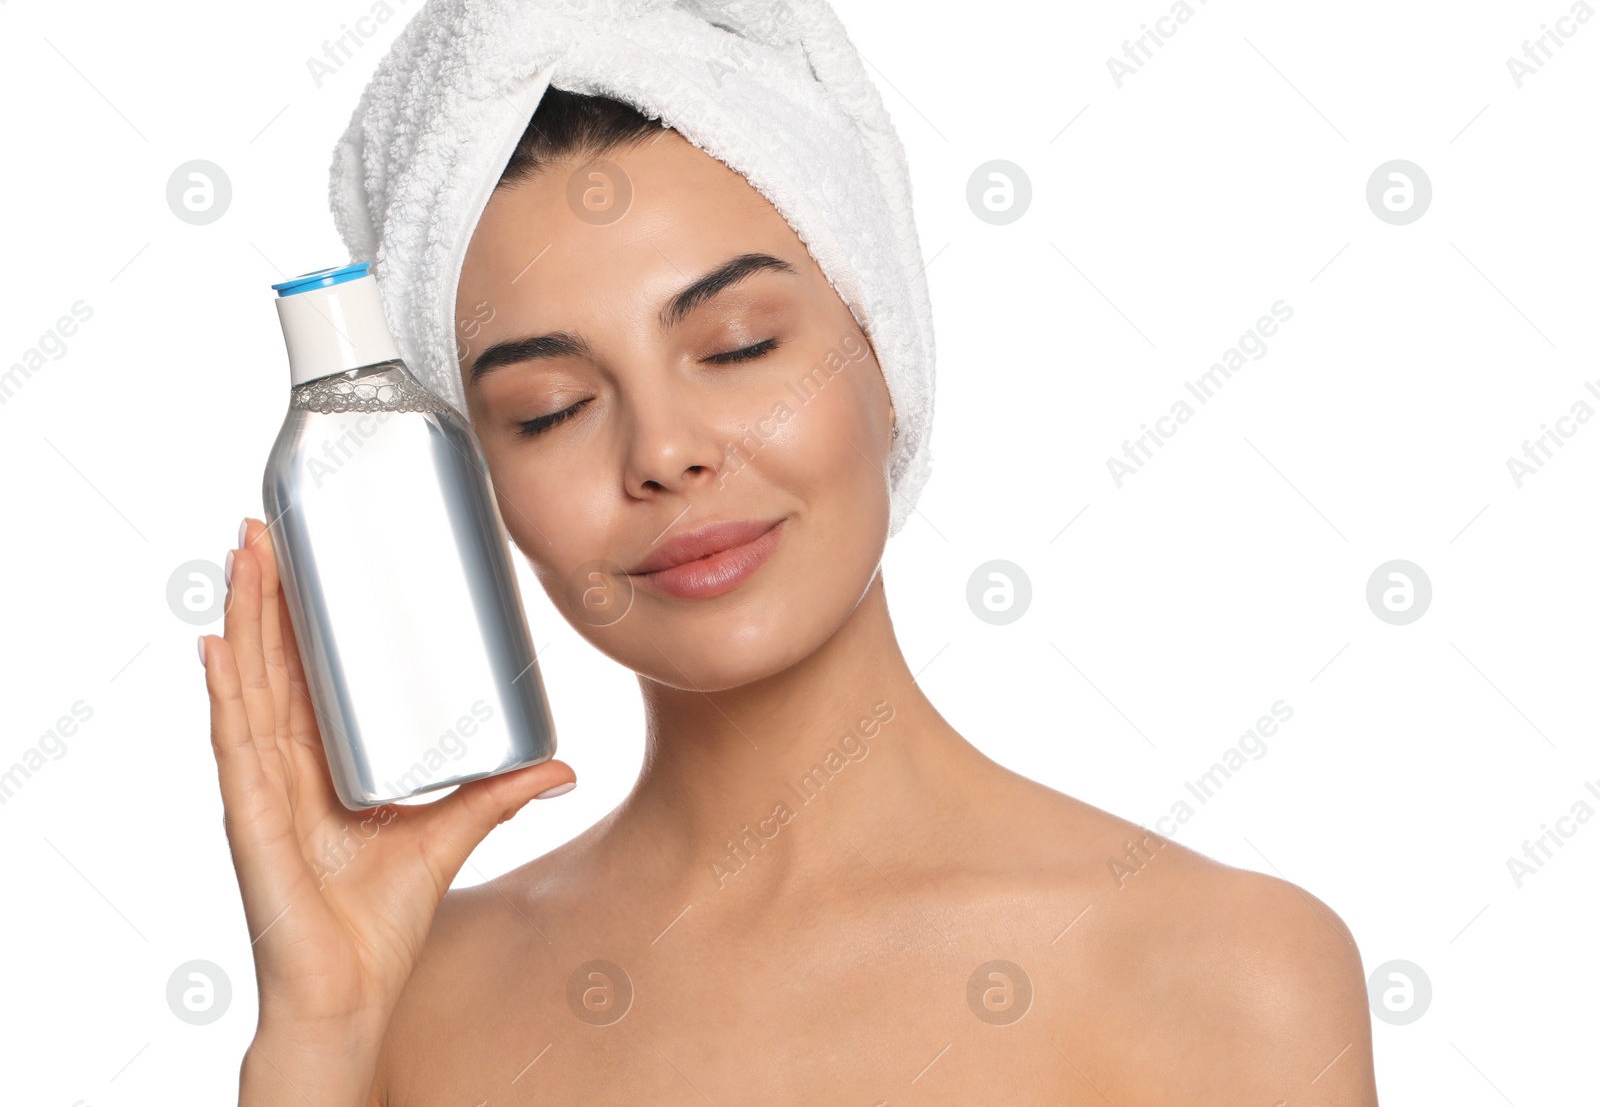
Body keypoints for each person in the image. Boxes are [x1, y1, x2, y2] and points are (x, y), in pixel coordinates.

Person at [206, 83, 1378, 1105]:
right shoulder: (408, 1001)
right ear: (480, 485)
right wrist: (319, 1038)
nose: (663, 451)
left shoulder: (1220, 969)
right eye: (551, 408)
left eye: (737, 344)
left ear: (884, 358)